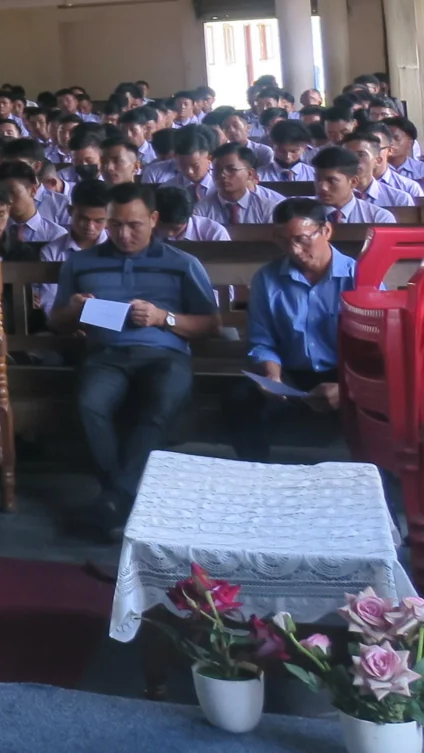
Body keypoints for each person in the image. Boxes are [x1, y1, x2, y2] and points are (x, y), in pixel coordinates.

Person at [50, 184, 219, 536]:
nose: (123, 235)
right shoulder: (80, 263)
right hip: (107, 355)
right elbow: (57, 321)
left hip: (164, 355)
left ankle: (114, 498)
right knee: (89, 404)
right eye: (115, 225)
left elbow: (210, 324)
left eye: (134, 225)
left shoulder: (182, 264)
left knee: (158, 406)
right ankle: (122, 496)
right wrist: (75, 310)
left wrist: (163, 318)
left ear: (154, 219)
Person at [223, 198, 354, 461]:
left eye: (302, 239)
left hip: (346, 376)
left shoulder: (359, 275)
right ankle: (256, 476)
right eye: (283, 241)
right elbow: (262, 339)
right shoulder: (267, 278)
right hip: (290, 375)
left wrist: (347, 388)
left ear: (326, 231)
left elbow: (379, 347)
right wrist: (272, 376)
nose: (293, 249)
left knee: (383, 406)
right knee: (238, 399)